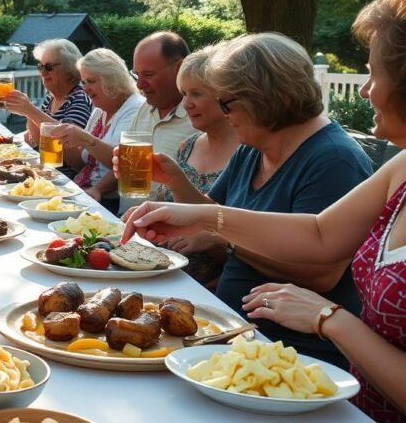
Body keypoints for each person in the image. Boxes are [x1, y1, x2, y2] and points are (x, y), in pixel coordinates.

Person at [123, 0, 406, 422]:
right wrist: (200, 215)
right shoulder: (398, 166)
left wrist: (328, 317)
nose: (365, 89)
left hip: (298, 371)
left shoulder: (334, 158)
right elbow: (317, 232)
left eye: (225, 102)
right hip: (252, 349)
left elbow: (321, 265)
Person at [127, 32, 373, 368]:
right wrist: (175, 180)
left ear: (263, 99)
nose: (224, 114)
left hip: (291, 358)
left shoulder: (333, 159)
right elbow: (211, 212)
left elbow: (319, 273)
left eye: (226, 103)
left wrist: (221, 238)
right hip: (234, 335)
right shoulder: (252, 147)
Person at [154, 46, 240, 287]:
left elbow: (254, 246)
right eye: (183, 94)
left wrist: (214, 240)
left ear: (225, 96)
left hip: (209, 287)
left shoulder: (250, 153)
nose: (186, 104)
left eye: (196, 94)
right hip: (162, 269)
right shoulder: (188, 146)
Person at [47, 48, 143, 212]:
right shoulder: (100, 110)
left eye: (91, 81)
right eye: (83, 83)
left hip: (108, 201)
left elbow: (127, 164)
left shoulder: (136, 108)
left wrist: (85, 139)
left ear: (112, 79)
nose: (85, 89)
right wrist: (60, 140)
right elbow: (83, 164)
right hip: (85, 192)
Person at [126, 31, 195, 200]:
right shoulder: (145, 108)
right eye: (136, 74)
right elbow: (128, 173)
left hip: (162, 223)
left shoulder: (198, 117)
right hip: (123, 220)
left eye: (148, 75)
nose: (139, 85)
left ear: (180, 68)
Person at [4, 38, 92, 148]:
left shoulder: (79, 99)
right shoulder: (51, 97)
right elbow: (38, 140)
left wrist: (31, 111)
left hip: (61, 164)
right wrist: (27, 112)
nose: (43, 72)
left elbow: (68, 145)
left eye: (49, 67)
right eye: (41, 66)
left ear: (69, 70)